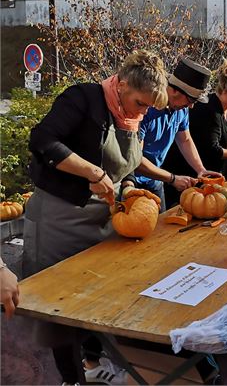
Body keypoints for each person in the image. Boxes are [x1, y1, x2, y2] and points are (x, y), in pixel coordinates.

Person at [24, 49, 168, 385]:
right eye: (141, 103)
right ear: (121, 86)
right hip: (59, 218)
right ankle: (72, 379)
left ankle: (92, 366)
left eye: (148, 106)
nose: (143, 112)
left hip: (102, 219)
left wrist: (129, 189)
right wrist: (91, 171)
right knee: (59, 311)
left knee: (96, 301)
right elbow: (43, 140)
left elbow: (128, 166)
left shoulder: (132, 117)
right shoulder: (83, 98)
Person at [134, 57, 221, 211]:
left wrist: (200, 169)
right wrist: (172, 179)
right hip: (132, 181)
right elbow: (136, 159)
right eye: (190, 100)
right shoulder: (146, 108)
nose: (192, 106)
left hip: (155, 179)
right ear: (174, 89)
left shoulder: (181, 108)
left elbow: (185, 139)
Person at [167, 59, 227, 180]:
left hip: (211, 172)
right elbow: (212, 149)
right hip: (187, 174)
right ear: (225, 91)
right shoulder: (209, 110)